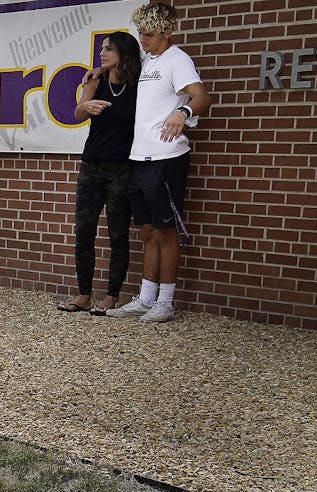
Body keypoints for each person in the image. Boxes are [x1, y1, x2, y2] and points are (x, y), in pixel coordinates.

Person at [107, 2, 211, 322]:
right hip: (140, 158)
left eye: (149, 34)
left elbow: (202, 96)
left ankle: (165, 302)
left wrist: (184, 112)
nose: (143, 39)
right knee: (148, 230)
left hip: (166, 158)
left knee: (166, 232)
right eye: (140, 32)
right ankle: (146, 297)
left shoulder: (177, 60)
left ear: (167, 31)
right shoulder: (149, 59)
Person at [59, 32, 142, 316]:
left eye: (109, 49)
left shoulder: (139, 83)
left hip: (123, 166)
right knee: (84, 231)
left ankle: (111, 296)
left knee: (118, 233)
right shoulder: (95, 79)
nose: (102, 53)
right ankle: (83, 294)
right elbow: (78, 113)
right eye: (102, 48)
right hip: (92, 164)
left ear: (125, 52)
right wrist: (86, 106)